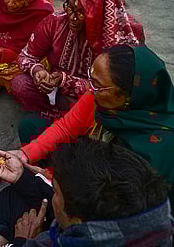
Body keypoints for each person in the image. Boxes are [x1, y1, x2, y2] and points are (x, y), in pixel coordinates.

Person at [15, 44, 174, 208]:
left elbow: (108, 199)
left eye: (97, 85)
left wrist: (51, 177)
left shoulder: (152, 151)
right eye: (91, 78)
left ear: (127, 96)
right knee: (31, 126)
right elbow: (67, 127)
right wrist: (24, 155)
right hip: (88, 171)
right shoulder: (101, 100)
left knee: (14, 200)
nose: (90, 89)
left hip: (113, 207)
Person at [0, 139, 173, 247]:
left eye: (55, 192)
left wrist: (21, 240)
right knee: (14, 195)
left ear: (77, 222)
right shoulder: (141, 218)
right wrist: (22, 176)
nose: (52, 195)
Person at [11, 0, 144, 119]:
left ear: (98, 13)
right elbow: (26, 56)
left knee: (104, 109)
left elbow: (114, 90)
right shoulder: (55, 22)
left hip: (93, 95)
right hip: (55, 88)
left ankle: (68, 125)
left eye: (81, 13)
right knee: (20, 84)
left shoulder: (117, 38)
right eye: (70, 8)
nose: (72, 18)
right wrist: (38, 71)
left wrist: (66, 81)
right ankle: (57, 119)